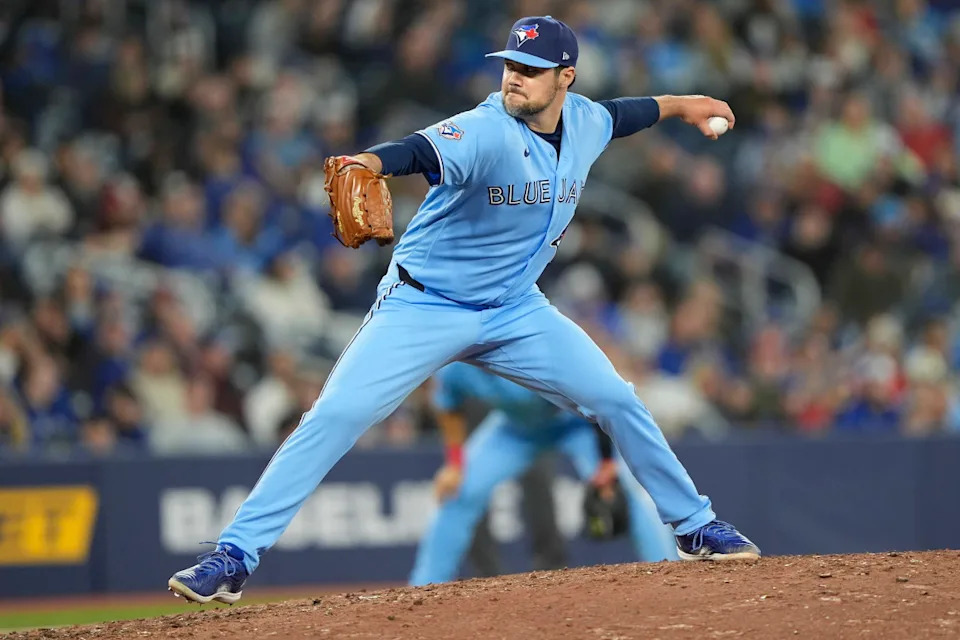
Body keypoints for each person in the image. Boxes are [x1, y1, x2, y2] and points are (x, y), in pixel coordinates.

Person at [169, 15, 760, 605]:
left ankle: (693, 526)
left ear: (566, 78)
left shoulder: (586, 120)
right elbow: (417, 151)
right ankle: (233, 557)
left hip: (515, 310)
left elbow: (636, 111)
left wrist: (689, 104)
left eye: (530, 70)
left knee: (617, 398)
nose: (515, 78)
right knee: (335, 415)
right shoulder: (485, 130)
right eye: (510, 66)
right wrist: (370, 165)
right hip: (426, 305)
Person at [410, 362, 676, 586]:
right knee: (457, 491)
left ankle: (672, 575)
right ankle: (421, 589)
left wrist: (607, 462)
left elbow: (595, 395)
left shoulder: (528, 346)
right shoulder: (457, 366)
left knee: (623, 491)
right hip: (515, 430)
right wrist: (455, 464)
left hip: (575, 422)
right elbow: (448, 405)